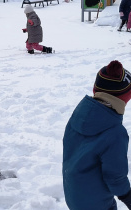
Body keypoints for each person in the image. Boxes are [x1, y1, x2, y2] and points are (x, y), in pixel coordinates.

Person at [62, 60, 131, 210]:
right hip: (97, 203)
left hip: (73, 194)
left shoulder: (79, 115)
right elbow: (115, 177)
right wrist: (128, 197)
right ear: (124, 98)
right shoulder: (115, 133)